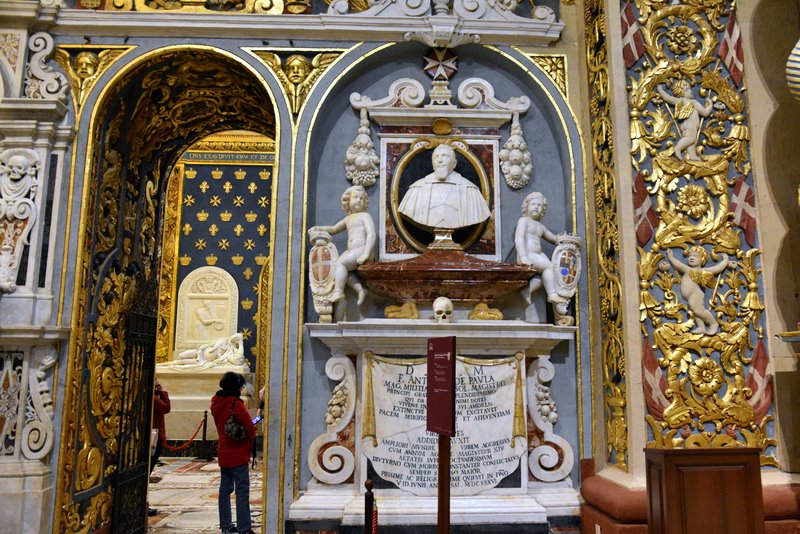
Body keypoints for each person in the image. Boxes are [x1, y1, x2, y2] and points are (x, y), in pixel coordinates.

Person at [398, 143, 491, 230]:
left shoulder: (470, 190)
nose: (440, 160)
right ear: (432, 163)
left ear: (454, 163)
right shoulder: (416, 189)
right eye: (436, 157)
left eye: (445, 156)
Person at [311, 185, 375, 305]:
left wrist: (366, 254)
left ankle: (338, 291)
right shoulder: (348, 218)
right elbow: (334, 229)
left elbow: (371, 234)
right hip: (352, 251)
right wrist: (319, 228)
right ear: (348, 201)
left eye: (361, 198)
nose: (359, 200)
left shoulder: (365, 216)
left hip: (362, 250)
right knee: (339, 267)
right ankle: (360, 290)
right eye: (355, 197)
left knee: (341, 264)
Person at [211, 372, 257, 534]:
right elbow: (250, 429)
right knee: (242, 491)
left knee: (225, 490)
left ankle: (226, 526)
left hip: (224, 450)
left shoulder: (216, 402)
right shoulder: (236, 404)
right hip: (237, 452)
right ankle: (244, 528)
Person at [665, 246, 730, 335]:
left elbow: (716, 268)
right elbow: (678, 264)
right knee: (695, 311)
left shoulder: (702, 271)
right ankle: (701, 327)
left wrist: (725, 261)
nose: (691, 258)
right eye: (690, 256)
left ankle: (713, 324)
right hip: (689, 297)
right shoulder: (687, 269)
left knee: (700, 311)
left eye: (695, 256)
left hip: (695, 295)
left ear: (701, 259)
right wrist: (671, 256)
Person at [515, 192, 563, 312]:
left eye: (539, 205)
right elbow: (519, 239)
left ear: (543, 210)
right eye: (533, 204)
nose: (536, 207)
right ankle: (552, 294)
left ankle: (527, 290)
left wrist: (563, 239)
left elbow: (553, 238)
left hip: (538, 256)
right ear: (526, 206)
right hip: (527, 255)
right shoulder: (524, 221)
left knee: (550, 273)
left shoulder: (541, 226)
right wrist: (523, 256)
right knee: (548, 267)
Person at [656, 79, 712, 161]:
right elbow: (668, 98)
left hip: (692, 126)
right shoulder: (685, 101)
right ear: (682, 93)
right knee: (691, 139)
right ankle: (678, 148)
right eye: (688, 89)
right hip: (690, 125)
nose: (691, 91)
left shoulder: (693, 102)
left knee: (691, 141)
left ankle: (692, 155)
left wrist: (709, 105)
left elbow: (705, 113)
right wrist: (660, 89)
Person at [148, 376, 170, 516]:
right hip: (153, 436)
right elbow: (165, 407)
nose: (157, 381)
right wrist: (162, 392)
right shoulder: (152, 397)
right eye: (155, 379)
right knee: (147, 470)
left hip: (156, 435)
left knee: (148, 470)